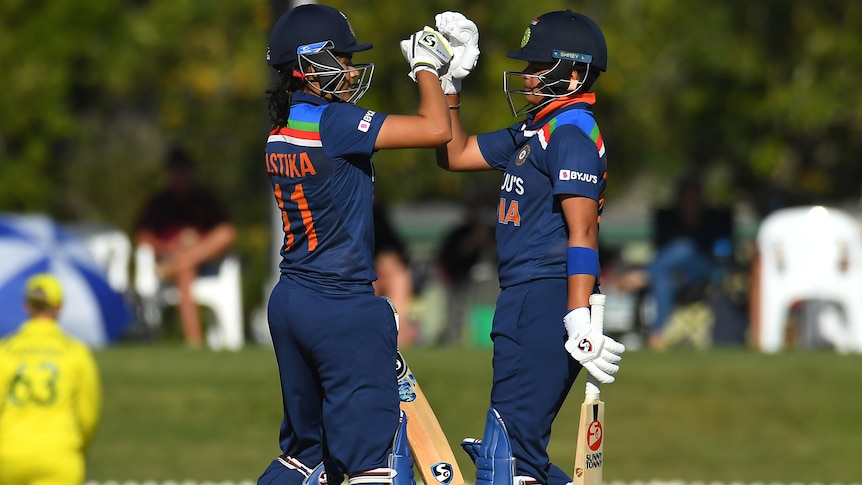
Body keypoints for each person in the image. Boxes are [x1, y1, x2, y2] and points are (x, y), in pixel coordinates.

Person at [258, 4, 453, 485]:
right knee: (376, 465)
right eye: (340, 59)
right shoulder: (337, 124)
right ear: (310, 65)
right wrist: (428, 69)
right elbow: (436, 129)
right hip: (339, 307)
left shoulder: (281, 129)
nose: (349, 70)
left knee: (307, 458)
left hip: (290, 301)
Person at [432, 10, 625, 485]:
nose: (527, 77)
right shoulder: (536, 129)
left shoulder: (571, 131)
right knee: (517, 456)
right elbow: (454, 153)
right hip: (524, 293)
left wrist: (577, 314)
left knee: (509, 457)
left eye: (538, 67)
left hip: (546, 294)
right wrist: (449, 83)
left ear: (574, 74)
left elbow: (582, 232)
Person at [0, 273, 102, 485]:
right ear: (59, 307)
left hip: (9, 455)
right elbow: (88, 417)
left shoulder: (5, 351)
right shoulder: (76, 353)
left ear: (26, 306)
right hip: (59, 453)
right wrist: (81, 451)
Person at [615, 173, 734, 350]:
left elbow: (717, 249)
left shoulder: (714, 219)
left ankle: (643, 274)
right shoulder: (667, 218)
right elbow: (661, 249)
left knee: (685, 247)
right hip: (674, 272)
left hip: (703, 269)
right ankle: (658, 335)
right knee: (663, 278)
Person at [134, 146, 237, 348]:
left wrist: (192, 248)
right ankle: (194, 341)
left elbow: (226, 232)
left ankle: (180, 262)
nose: (181, 176)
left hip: (203, 262)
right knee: (185, 270)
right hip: (171, 258)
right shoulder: (158, 203)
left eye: (184, 171)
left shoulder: (205, 201)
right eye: (176, 171)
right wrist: (167, 247)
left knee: (225, 234)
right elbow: (143, 237)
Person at [372, 201, 418, 347]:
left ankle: (399, 329)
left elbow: (395, 247)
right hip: (361, 270)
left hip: (383, 269)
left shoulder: (378, 214)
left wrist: (387, 260)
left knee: (399, 277)